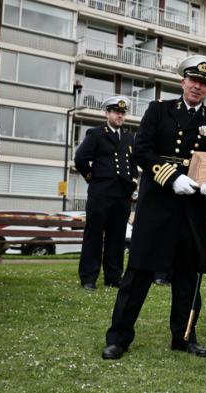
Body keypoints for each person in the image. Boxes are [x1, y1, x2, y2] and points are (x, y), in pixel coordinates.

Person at [102, 56, 206, 360]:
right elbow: (142, 150)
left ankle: (184, 337)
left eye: (204, 83)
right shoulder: (158, 110)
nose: (197, 86)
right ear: (183, 81)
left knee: (187, 278)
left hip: (193, 210)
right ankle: (118, 337)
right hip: (157, 205)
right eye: (193, 80)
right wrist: (171, 178)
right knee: (138, 274)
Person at [74, 96, 138, 291]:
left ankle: (113, 277)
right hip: (101, 193)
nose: (120, 116)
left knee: (117, 237)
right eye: (116, 112)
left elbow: (132, 164)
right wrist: (91, 177)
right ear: (107, 113)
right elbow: (80, 158)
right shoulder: (96, 134)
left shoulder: (128, 137)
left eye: (122, 113)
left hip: (122, 195)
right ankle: (89, 278)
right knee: (94, 236)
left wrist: (133, 183)